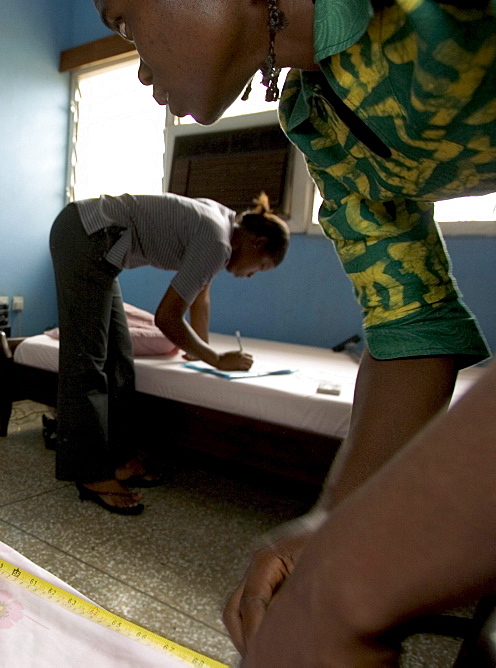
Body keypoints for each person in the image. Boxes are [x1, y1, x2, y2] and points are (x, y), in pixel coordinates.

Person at [89, 0, 496, 661]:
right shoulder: (319, 120)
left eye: (125, 19)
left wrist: (352, 576)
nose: (138, 68)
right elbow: (412, 325)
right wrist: (331, 524)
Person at [50, 192, 289, 514]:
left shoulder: (223, 226)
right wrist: (215, 359)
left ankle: (120, 459)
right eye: (259, 268)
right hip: (85, 232)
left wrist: (199, 349)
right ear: (258, 243)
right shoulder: (217, 241)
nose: (249, 276)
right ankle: (91, 473)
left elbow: (198, 296)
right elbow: (167, 316)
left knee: (119, 360)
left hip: (98, 242)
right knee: (88, 360)